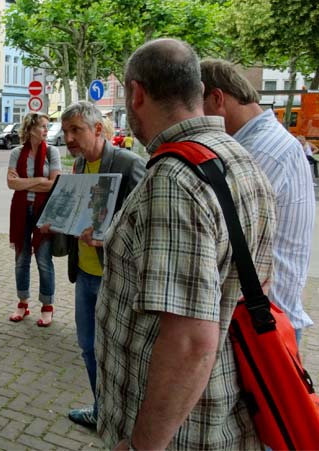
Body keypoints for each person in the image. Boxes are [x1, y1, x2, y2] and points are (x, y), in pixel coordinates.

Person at [97, 38, 274, 450]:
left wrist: (144, 445)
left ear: (136, 93)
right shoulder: (241, 158)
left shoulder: (174, 182)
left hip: (179, 432)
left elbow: (191, 341)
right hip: (218, 410)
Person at [201, 59, 315, 345]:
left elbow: (219, 237)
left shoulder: (259, 153)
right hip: (262, 320)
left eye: (195, 109)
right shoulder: (260, 144)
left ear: (217, 99)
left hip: (262, 330)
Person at [58, 101, 145, 430]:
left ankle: (127, 418)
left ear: (97, 129)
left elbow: (144, 223)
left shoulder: (128, 164)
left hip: (117, 277)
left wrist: (108, 237)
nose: (68, 138)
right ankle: (101, 410)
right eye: (66, 131)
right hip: (85, 273)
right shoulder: (79, 165)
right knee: (87, 347)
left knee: (120, 353)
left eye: (75, 130)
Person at [7, 112, 61, 327]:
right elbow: (11, 184)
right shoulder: (16, 153)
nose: (46, 131)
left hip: (44, 210)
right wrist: (40, 180)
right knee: (21, 260)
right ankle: (23, 303)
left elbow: (54, 184)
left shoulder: (53, 152)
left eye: (47, 127)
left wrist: (25, 182)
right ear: (30, 129)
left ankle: (47, 306)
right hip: (21, 210)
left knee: (43, 260)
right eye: (42, 127)